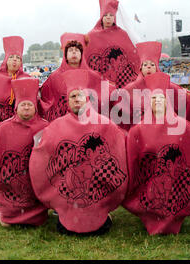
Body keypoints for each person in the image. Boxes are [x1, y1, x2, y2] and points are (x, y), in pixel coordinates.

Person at [29, 69, 128, 235]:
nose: (77, 100)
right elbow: (41, 157)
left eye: (80, 96)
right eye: (73, 96)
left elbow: (119, 149)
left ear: (87, 99)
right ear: (68, 101)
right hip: (69, 204)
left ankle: (100, 214)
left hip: (96, 199)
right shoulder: (55, 127)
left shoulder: (104, 124)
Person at [122, 72, 190, 235]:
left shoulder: (181, 125)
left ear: (167, 102)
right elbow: (132, 158)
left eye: (161, 98)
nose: (157, 101)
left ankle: (173, 215)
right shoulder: (139, 129)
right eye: (154, 99)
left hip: (175, 182)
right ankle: (152, 215)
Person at [0, 78, 49, 227]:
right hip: (13, 181)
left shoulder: (45, 127)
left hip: (35, 184)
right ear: (16, 107)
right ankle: (8, 211)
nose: (26, 108)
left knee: (38, 219)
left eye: (30, 105)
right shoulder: (3, 128)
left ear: (35, 107)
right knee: (7, 223)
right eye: (23, 105)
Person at [113, 41, 187, 131]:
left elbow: (183, 103)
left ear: (157, 67)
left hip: (164, 130)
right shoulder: (130, 89)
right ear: (141, 68)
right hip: (139, 132)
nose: (149, 67)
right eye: (145, 65)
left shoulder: (168, 87)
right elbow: (120, 114)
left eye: (152, 64)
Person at [39, 33, 114, 122]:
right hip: (64, 123)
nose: (74, 52)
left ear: (81, 54)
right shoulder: (54, 77)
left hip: (89, 121)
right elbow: (46, 100)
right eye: (70, 50)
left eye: (77, 50)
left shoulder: (93, 76)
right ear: (65, 55)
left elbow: (107, 95)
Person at [83, 0, 140, 88]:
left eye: (111, 15)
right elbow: (85, 57)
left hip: (119, 84)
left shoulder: (123, 35)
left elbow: (133, 54)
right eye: (105, 15)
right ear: (101, 17)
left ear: (115, 17)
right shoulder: (91, 36)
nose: (108, 17)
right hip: (98, 85)